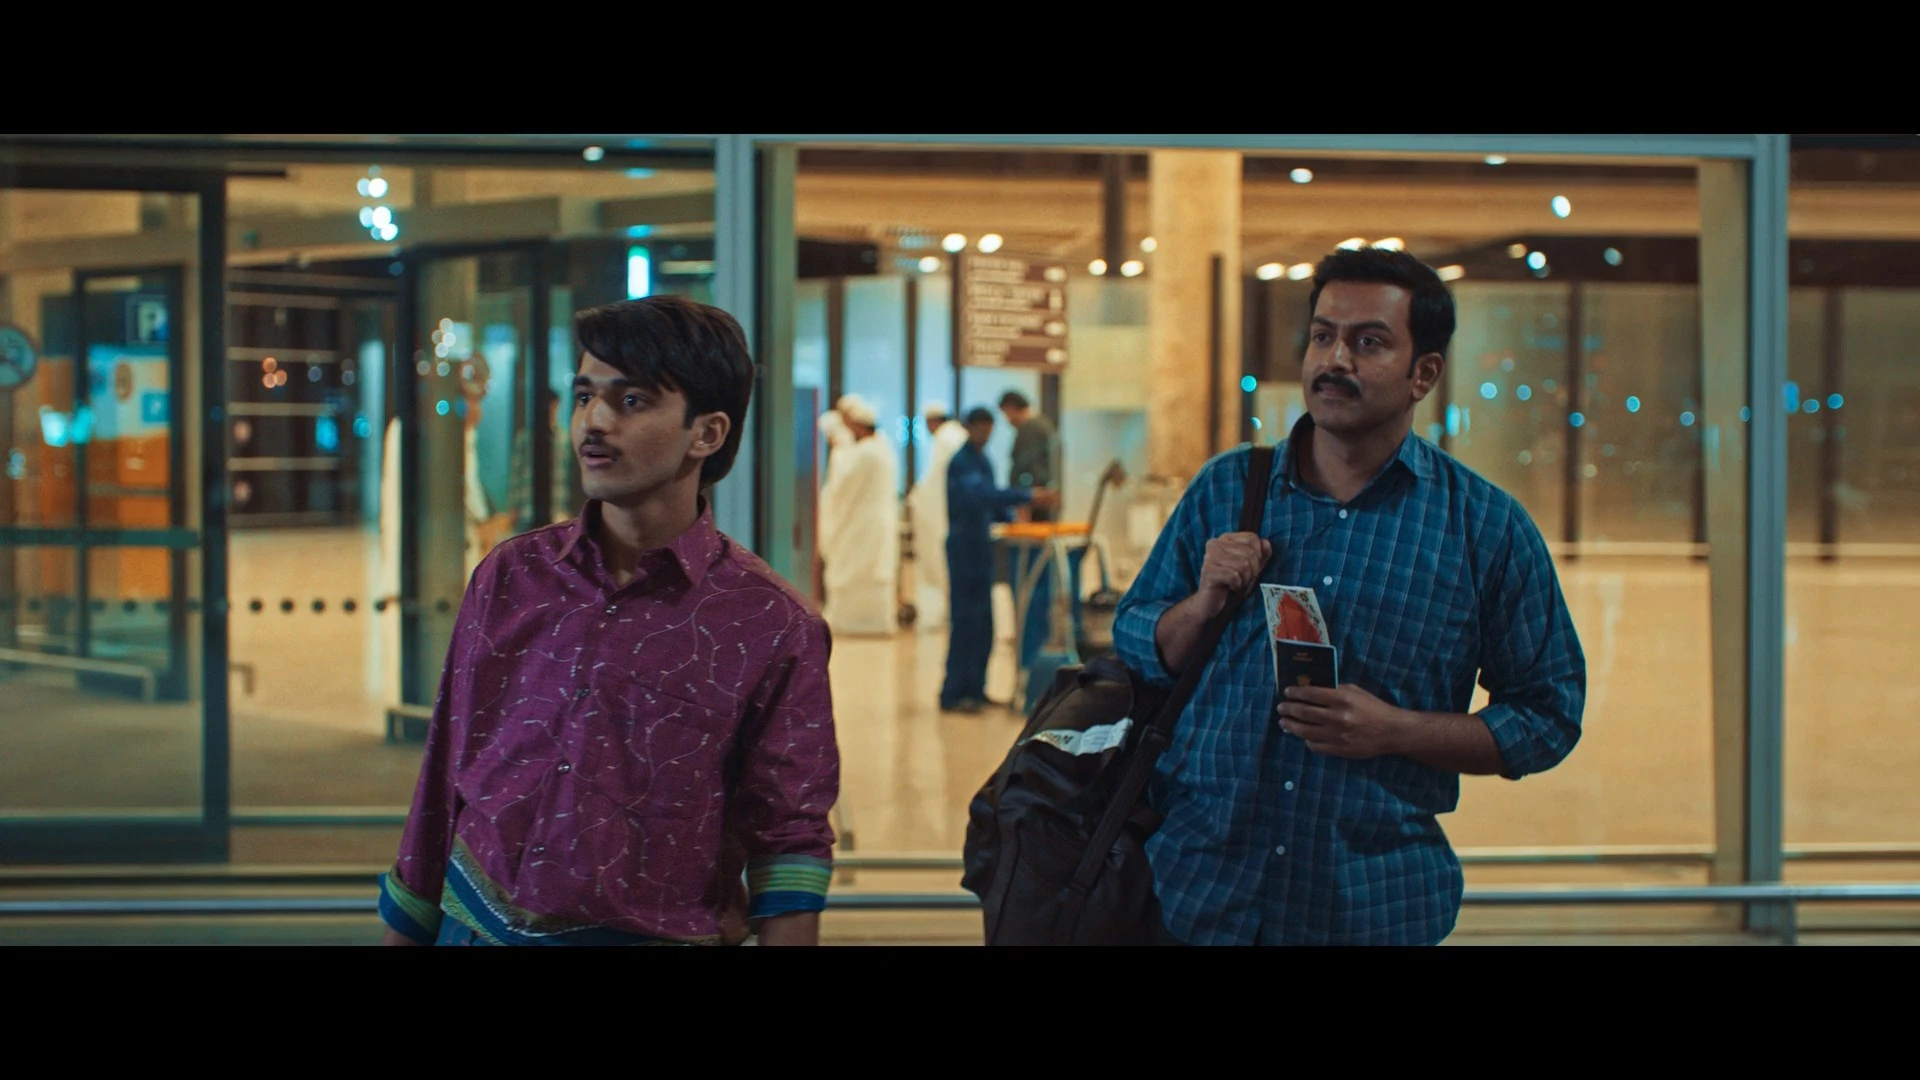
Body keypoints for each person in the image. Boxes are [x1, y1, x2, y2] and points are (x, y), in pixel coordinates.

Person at [1112, 247, 1586, 946]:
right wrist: (1202, 604)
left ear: (1424, 373)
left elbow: (1548, 717)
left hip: (1369, 905)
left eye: (1369, 342)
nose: (1335, 360)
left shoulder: (1484, 529)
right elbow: (1135, 640)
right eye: (1323, 336)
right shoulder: (1227, 489)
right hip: (1196, 895)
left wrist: (1396, 731)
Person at [378, 295, 840, 947]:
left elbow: (789, 840)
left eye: (631, 401)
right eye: (584, 396)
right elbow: (443, 778)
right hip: (476, 930)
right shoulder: (512, 576)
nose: (593, 422)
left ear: (707, 434)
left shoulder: (769, 622)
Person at [942, 407, 1058, 713]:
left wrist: (1016, 521)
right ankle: (954, 693)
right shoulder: (962, 462)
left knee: (984, 623)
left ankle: (976, 690)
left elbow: (993, 505)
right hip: (964, 550)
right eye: (980, 428)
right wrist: (1027, 496)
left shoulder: (983, 461)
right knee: (965, 623)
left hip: (983, 549)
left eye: (989, 428)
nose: (985, 434)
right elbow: (981, 495)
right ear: (969, 428)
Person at [816, 393, 900, 636]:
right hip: (872, 523)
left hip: (861, 523)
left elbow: (843, 484)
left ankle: (855, 623)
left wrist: (839, 449)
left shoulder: (866, 452)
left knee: (858, 570)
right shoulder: (882, 446)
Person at [907, 401, 971, 631]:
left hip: (944, 517)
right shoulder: (957, 436)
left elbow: (935, 481)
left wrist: (917, 498)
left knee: (943, 564)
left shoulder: (945, 439)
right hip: (958, 516)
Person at [998, 390, 1058, 523]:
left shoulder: (1030, 428)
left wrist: (1022, 497)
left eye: (1006, 414)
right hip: (1043, 494)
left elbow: (1025, 465)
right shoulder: (1043, 424)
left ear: (1011, 408)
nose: (1007, 420)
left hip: (1034, 499)